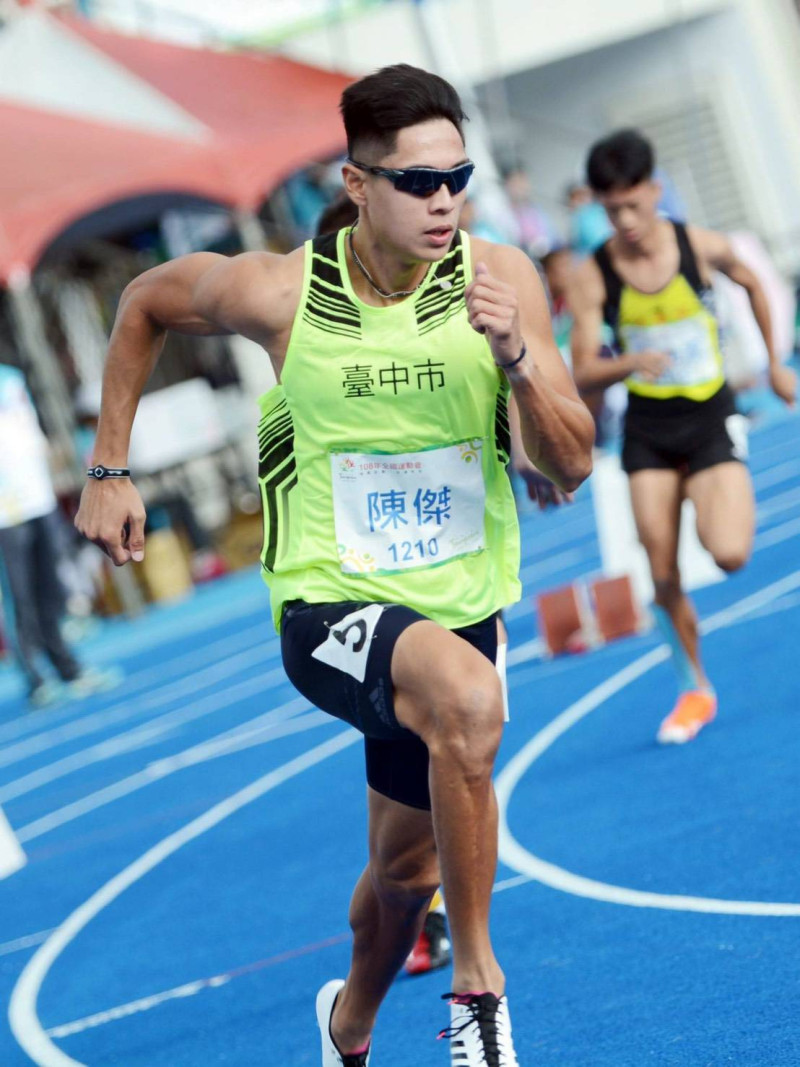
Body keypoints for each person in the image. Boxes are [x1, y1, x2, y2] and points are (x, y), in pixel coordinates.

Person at [75, 64, 594, 1065]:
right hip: (330, 604)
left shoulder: (500, 281)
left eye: (459, 177)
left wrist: (519, 359)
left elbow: (569, 463)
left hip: (457, 604)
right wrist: (108, 466)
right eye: (417, 182)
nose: (444, 200)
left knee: (401, 874)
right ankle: (479, 993)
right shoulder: (280, 292)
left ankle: (345, 1021)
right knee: (471, 705)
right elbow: (142, 299)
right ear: (357, 184)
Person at [568, 128, 796, 744]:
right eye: (611, 210)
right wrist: (627, 364)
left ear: (655, 190)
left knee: (729, 553)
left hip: (710, 418)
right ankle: (694, 686)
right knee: (661, 573)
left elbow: (751, 280)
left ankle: (711, 489)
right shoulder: (596, 276)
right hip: (648, 433)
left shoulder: (699, 247)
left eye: (633, 205)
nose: (625, 221)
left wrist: (775, 362)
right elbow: (585, 366)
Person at [0, 363, 120, 706]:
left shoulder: (12, 376)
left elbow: (28, 435)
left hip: (37, 499)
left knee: (51, 589)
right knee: (20, 597)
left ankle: (68, 668)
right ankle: (35, 679)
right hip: (5, 512)